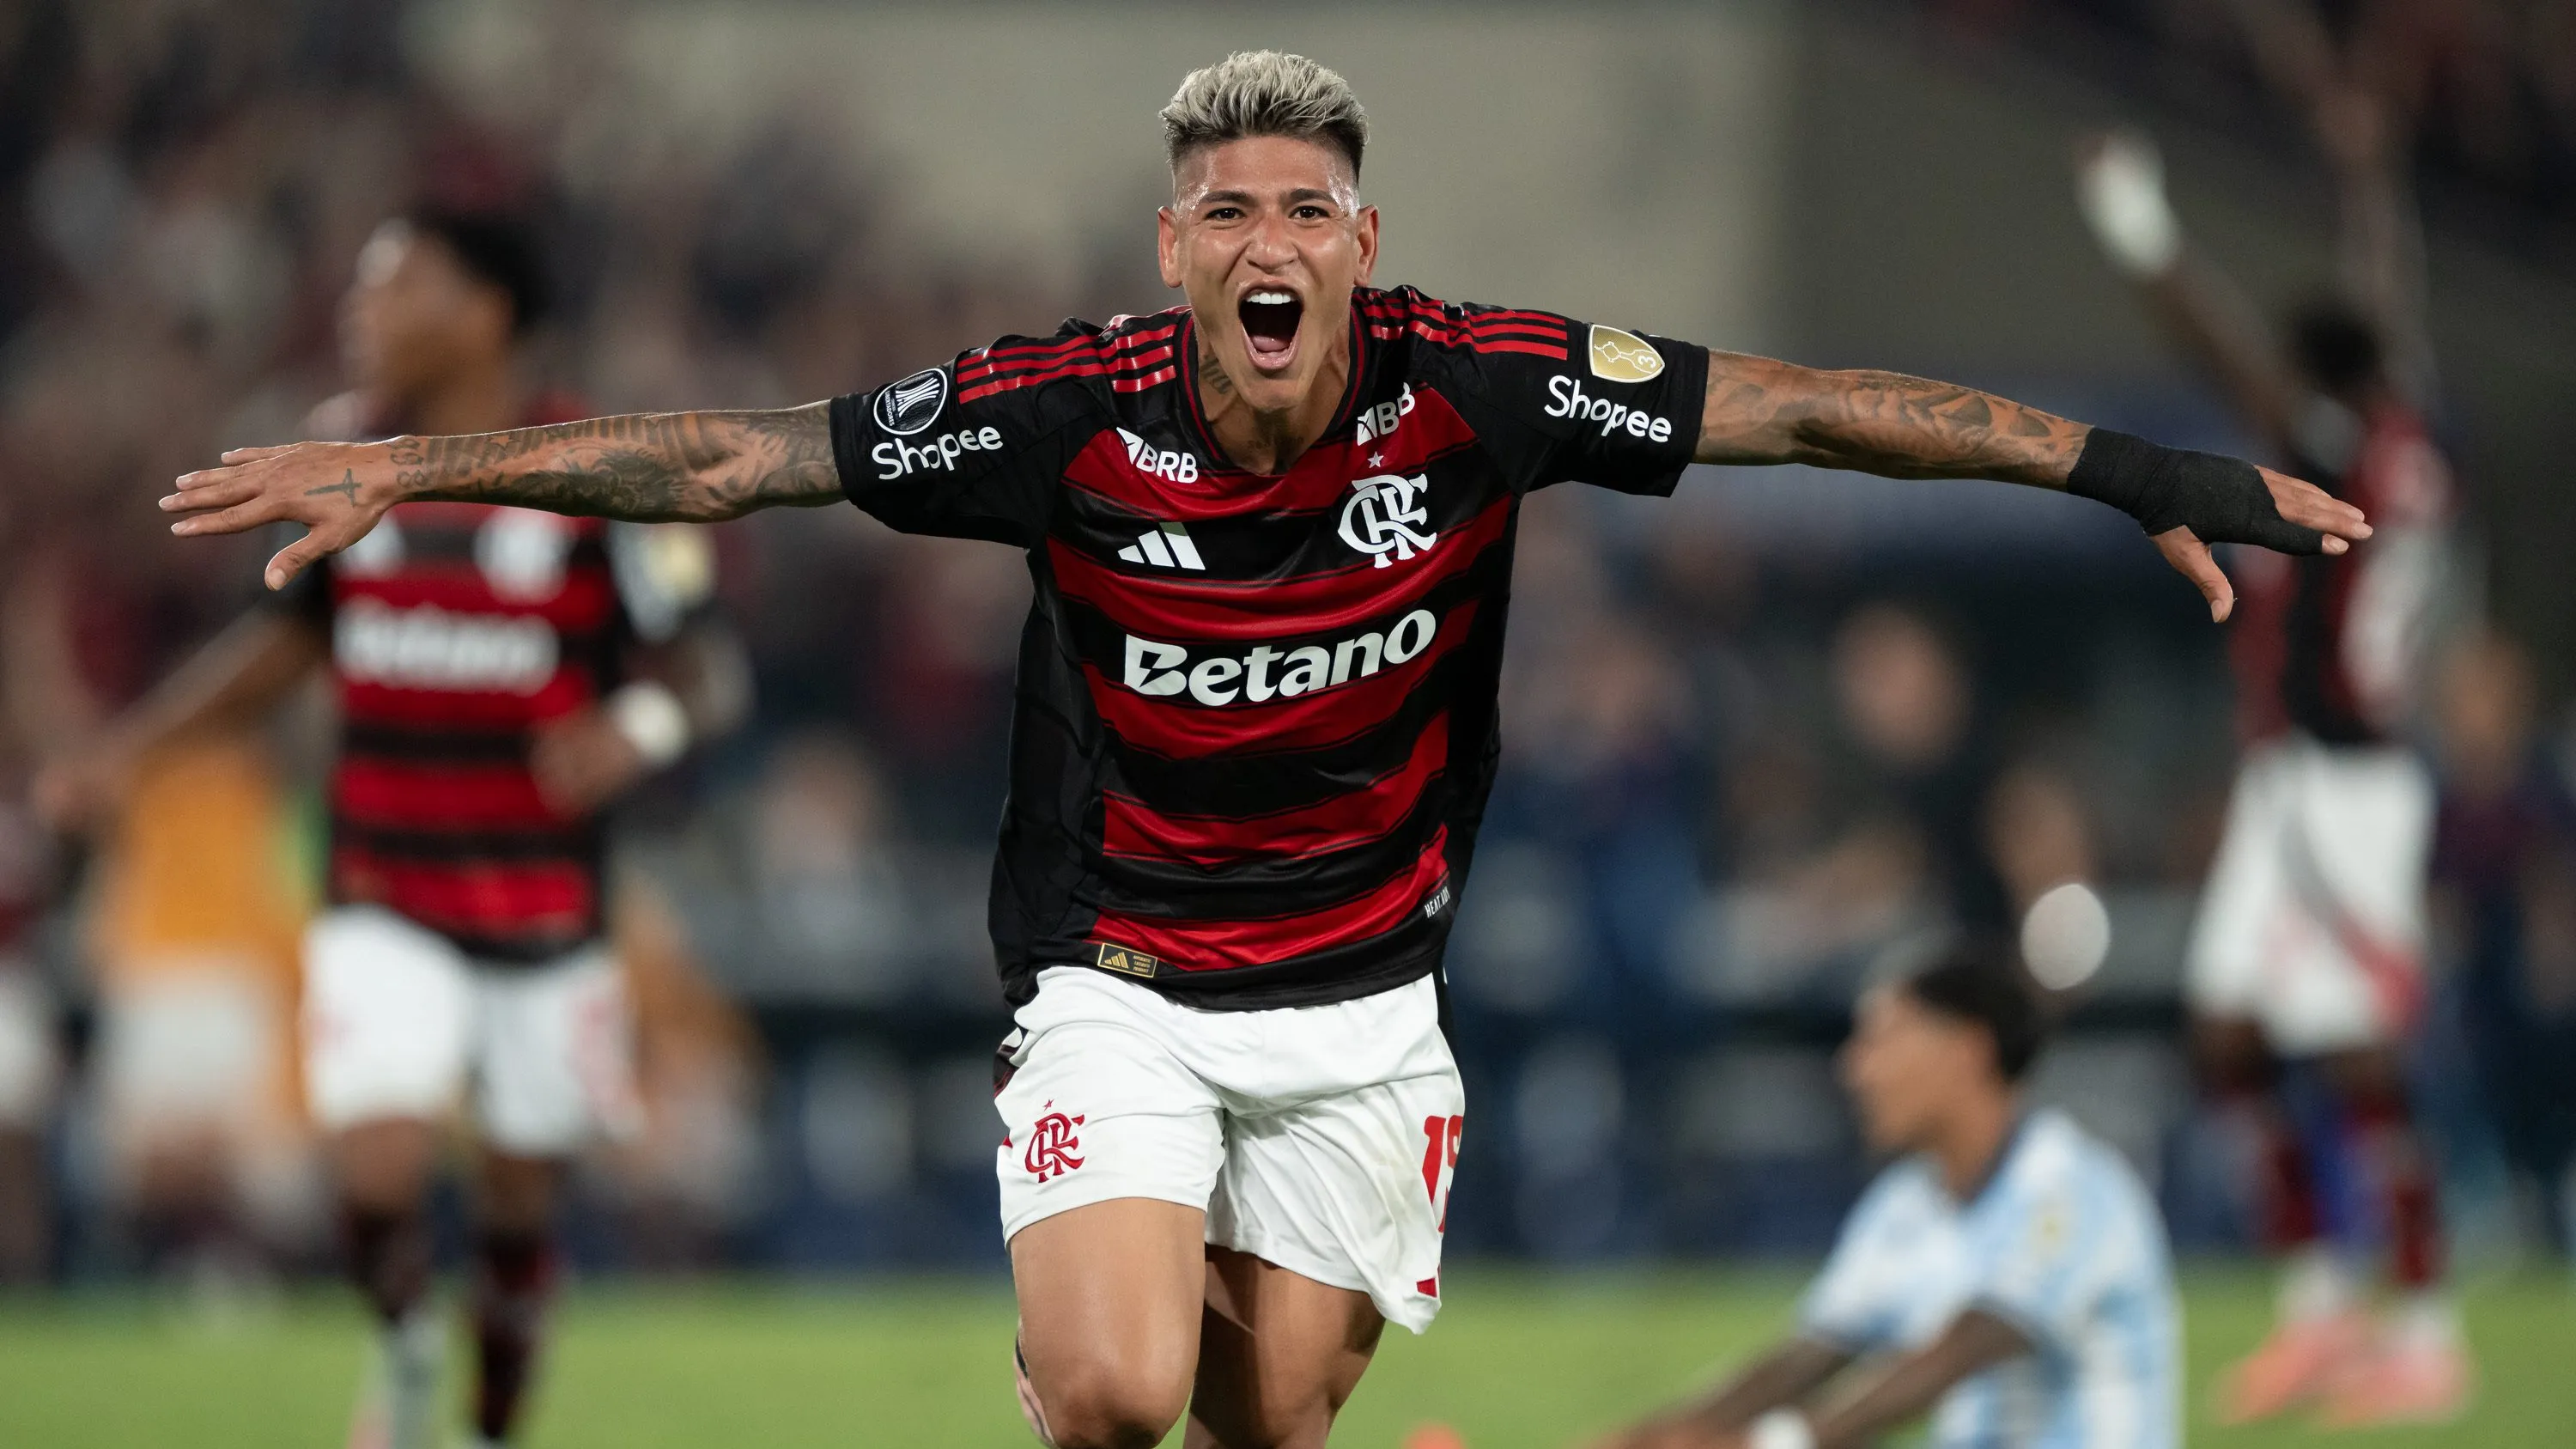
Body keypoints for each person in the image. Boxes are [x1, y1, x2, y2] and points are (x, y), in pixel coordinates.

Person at [159, 52, 2364, 1449]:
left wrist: (2125, 469)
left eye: (1306, 207)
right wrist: (426, 467)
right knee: (1119, 1390)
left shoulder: (1481, 385)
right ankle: (1064, 1344)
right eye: (1227, 212)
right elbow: (741, 462)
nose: (1267, 240)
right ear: (1176, 252)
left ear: (1360, 244)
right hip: (1118, 980)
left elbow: (1808, 407)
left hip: (1361, 1011)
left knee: (1273, 1414)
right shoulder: (1063, 407)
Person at [41, 207, 747, 1449]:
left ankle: (483, 1418)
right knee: (372, 1170)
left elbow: (706, 673)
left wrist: (631, 733)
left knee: (521, 1217)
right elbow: (289, 642)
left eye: (393, 284)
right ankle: (408, 1345)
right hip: (382, 883)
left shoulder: (604, 464)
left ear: (482, 311)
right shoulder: (339, 449)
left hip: (547, 912)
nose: (361, 310)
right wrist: (132, 752)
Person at [2074, 10, 2464, 1424]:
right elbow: (2382, 289)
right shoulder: (2401, 415)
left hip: (2354, 786)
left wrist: (2136, 228)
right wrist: (2368, 175)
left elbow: (2226, 349)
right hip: (2300, 773)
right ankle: (2322, 1304)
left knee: (2356, 1050)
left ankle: (2425, 1327)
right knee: (2232, 1029)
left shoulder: (2338, 446)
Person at [1586, 951, 2178, 1449]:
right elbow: (1809, 1356)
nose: (1855, 1069)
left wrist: (1772, 1443)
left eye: (1881, 1039)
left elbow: (1955, 1353)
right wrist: (1653, 1436)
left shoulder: (2070, 1187)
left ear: (1968, 1048)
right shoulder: (1905, 1202)